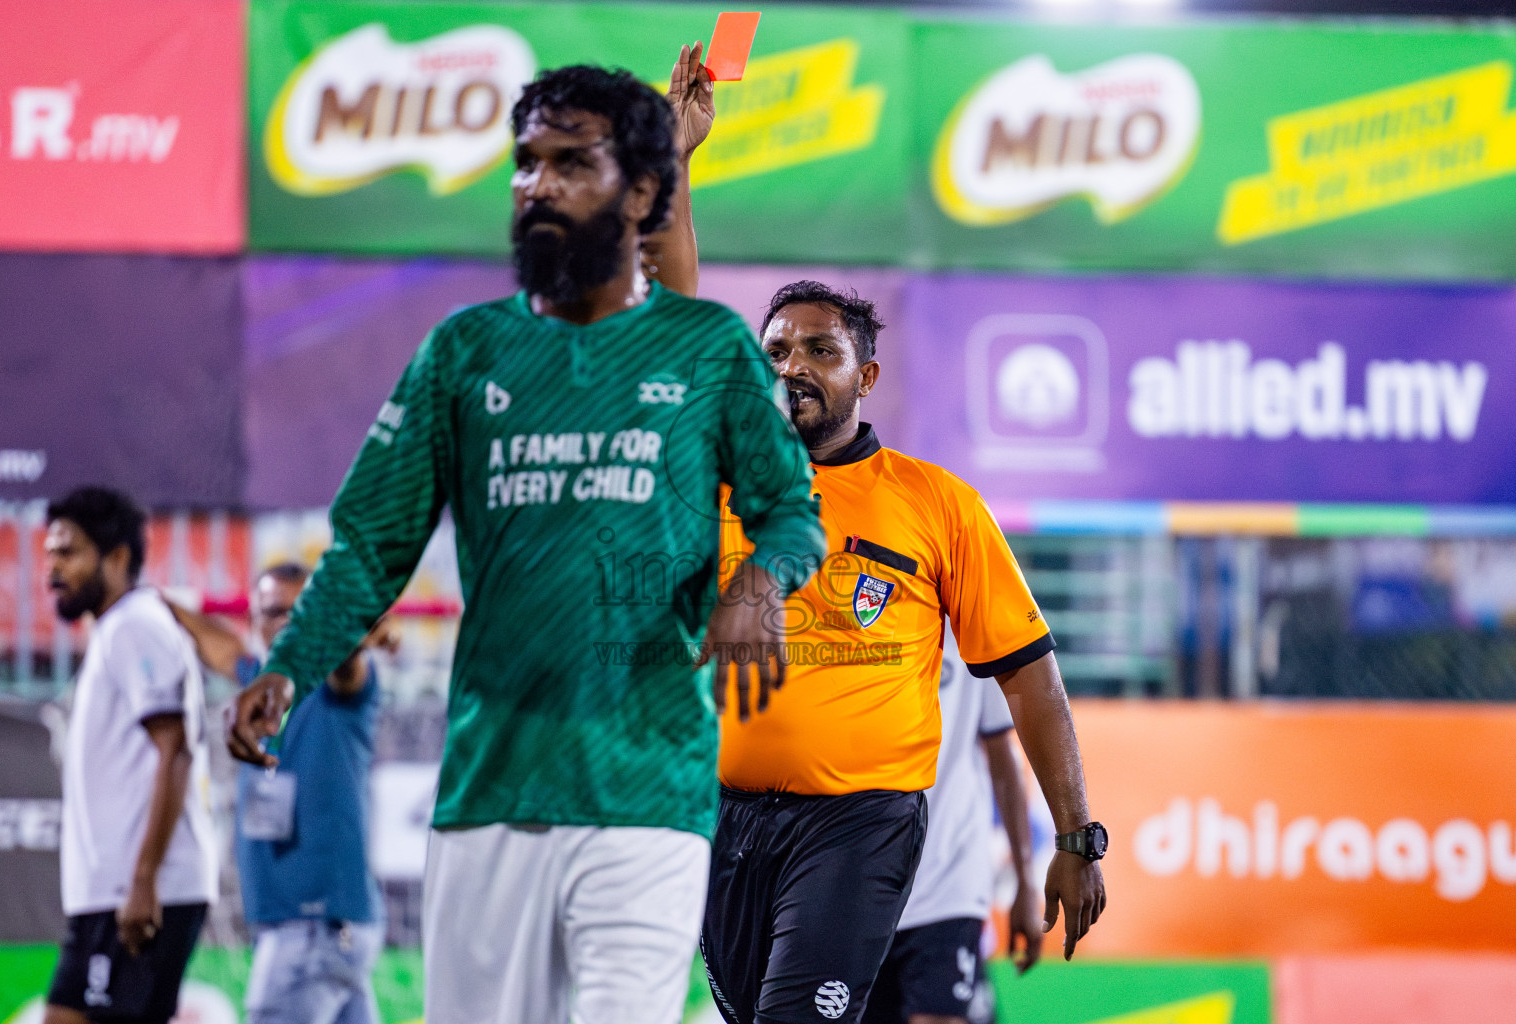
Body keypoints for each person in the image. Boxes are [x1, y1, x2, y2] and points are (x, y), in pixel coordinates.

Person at [226, 64, 826, 1024]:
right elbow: (371, 545)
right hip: (489, 791)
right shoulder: (463, 352)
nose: (536, 184)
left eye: (569, 163)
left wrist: (760, 581)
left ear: (638, 191)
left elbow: (792, 512)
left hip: (649, 788)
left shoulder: (707, 348)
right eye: (524, 163)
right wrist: (290, 665)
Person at [654, 51, 1107, 1024]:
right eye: (777, 350)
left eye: (822, 349)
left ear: (866, 374)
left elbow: (1029, 677)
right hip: (724, 816)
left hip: (862, 819)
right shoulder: (730, 474)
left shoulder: (937, 505)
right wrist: (678, 162)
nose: (795, 366)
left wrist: (1076, 836)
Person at [170, 563, 396, 1024]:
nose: (284, 624)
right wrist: (152, 602)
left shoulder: (337, 686)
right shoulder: (261, 685)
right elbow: (218, 645)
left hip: (314, 929)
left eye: (298, 613)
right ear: (253, 620)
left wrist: (355, 633)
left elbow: (348, 663)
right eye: (271, 612)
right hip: (324, 932)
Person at [42, 487, 218, 1024]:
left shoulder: (136, 627)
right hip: (111, 892)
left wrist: (144, 882)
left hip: (140, 891)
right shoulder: (117, 630)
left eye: (68, 553)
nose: (53, 569)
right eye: (50, 553)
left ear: (116, 558)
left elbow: (177, 750)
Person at [865, 639, 1044, 1024]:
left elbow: (1002, 750)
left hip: (948, 875)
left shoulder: (973, 624)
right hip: (858, 880)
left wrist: (1026, 884)